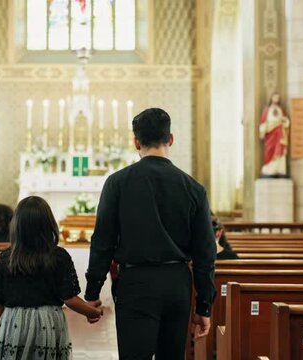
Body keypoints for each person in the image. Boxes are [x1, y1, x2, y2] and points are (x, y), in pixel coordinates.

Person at [85, 108, 217, 359]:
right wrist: (204, 306)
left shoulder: (117, 183)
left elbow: (103, 241)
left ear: (136, 142)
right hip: (177, 283)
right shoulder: (193, 188)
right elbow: (205, 253)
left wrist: (93, 293)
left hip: (136, 283)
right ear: (171, 139)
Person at [0, 196, 103, 359]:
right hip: (46, 324)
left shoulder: (5, 258)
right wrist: (91, 311)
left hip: (13, 324)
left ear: (16, 226)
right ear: (48, 224)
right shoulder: (58, 256)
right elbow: (69, 298)